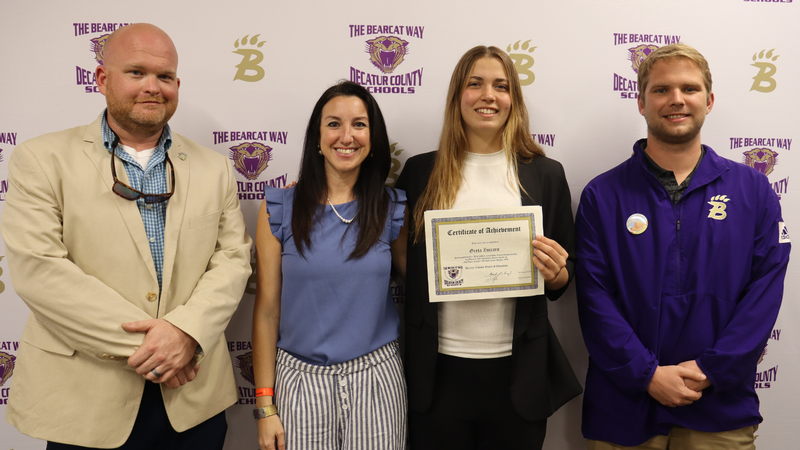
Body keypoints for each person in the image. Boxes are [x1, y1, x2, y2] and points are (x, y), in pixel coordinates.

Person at [0, 23, 253, 449]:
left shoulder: (214, 168)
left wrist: (187, 333)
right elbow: (39, 271)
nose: (153, 87)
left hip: (193, 403)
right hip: (84, 404)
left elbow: (232, 261)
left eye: (165, 76)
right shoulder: (40, 159)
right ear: (102, 79)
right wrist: (164, 347)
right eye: (136, 72)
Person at [575, 43, 790, 449]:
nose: (676, 99)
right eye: (661, 90)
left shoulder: (753, 191)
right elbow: (593, 297)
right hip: (624, 408)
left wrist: (712, 368)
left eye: (689, 89)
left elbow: (764, 294)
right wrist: (647, 375)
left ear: (708, 101)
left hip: (719, 409)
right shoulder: (602, 195)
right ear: (640, 102)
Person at [395, 45, 582, 450]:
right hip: (437, 373)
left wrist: (556, 271)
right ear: (456, 96)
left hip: (518, 375)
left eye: (501, 86)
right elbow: (398, 260)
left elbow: (564, 280)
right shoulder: (420, 172)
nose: (488, 96)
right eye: (474, 84)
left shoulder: (545, 174)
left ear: (513, 97)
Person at [251, 80, 407, 450]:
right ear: (317, 137)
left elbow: (424, 288)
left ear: (373, 138)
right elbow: (266, 313)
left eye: (359, 124)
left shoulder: (393, 208)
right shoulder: (279, 207)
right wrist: (264, 405)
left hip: (376, 378)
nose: (346, 136)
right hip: (299, 379)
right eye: (334, 123)